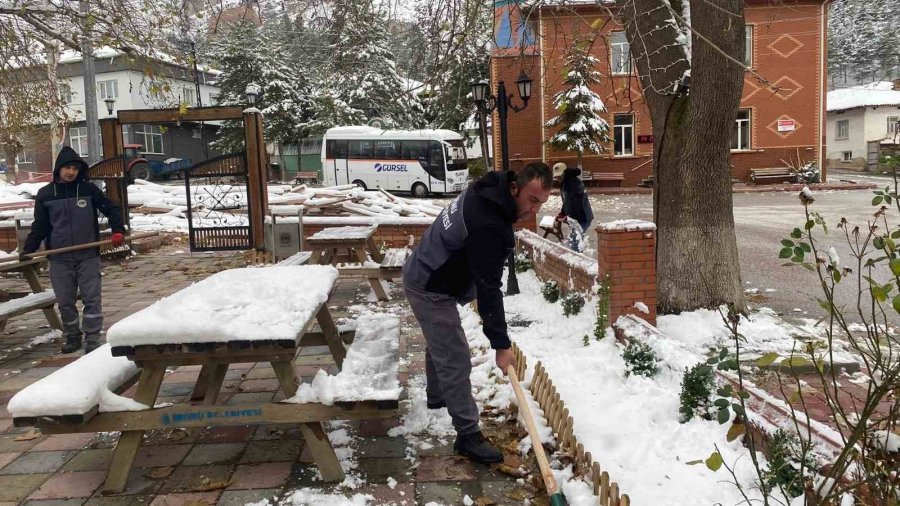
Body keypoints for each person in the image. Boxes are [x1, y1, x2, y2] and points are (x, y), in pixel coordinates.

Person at [402, 163, 552, 464]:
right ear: (514, 188)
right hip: (430, 285)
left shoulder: (487, 188)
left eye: (541, 204)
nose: (533, 210)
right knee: (455, 355)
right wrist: (501, 345)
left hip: (429, 269)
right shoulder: (488, 224)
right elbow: (489, 289)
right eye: (532, 200)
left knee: (441, 341)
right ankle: (468, 435)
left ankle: (438, 396)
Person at [21, 146, 126, 354]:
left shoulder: (88, 190)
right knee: (65, 301)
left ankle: (93, 338)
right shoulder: (46, 194)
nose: (71, 172)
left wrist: (117, 230)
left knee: (91, 298)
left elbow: (111, 208)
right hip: (59, 259)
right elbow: (40, 226)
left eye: (75, 169)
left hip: (88, 255)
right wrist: (28, 249)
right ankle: (72, 336)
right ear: (59, 169)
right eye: (67, 168)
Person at [553, 162, 594, 251]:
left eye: (560, 175)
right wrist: (562, 213)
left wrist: (569, 218)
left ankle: (578, 261)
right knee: (574, 241)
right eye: (556, 176)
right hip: (574, 219)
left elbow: (578, 204)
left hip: (582, 218)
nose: (558, 178)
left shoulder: (575, 184)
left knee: (575, 243)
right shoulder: (564, 183)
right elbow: (566, 202)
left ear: (565, 172)